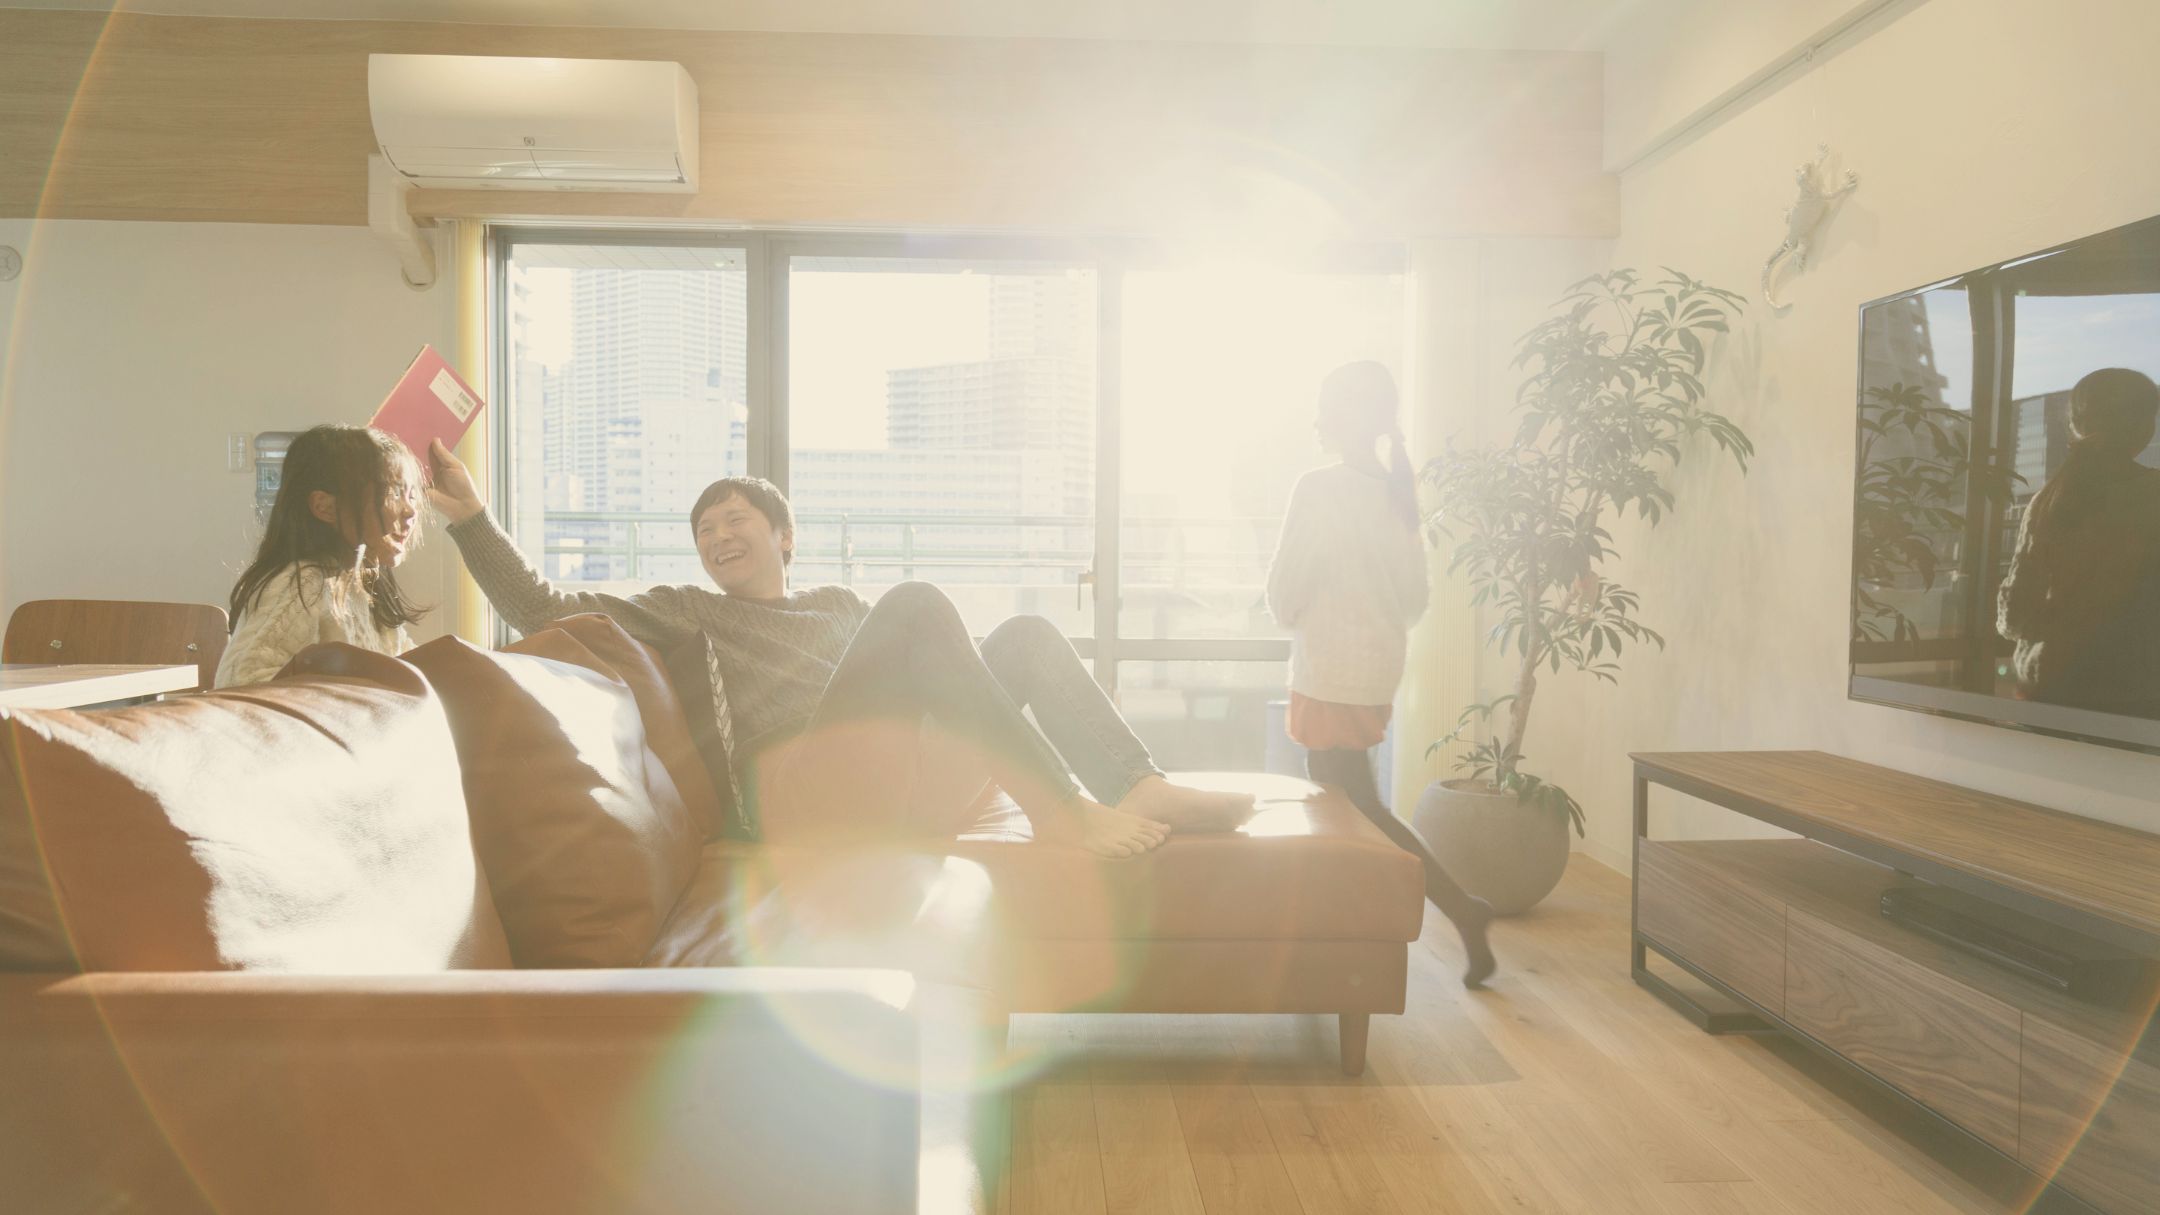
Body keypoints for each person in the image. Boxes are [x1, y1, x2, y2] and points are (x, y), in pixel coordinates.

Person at [423, 440, 1255, 859]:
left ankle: (1136, 781)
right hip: (799, 797)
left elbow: (943, 679)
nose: (718, 536)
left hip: (899, 780)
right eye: (704, 530)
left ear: (784, 535)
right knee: (922, 604)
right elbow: (542, 604)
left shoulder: (839, 606)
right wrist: (470, 519)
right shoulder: (689, 612)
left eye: (735, 519)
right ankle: (1062, 810)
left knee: (1027, 636)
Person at [1266, 361, 1496, 987]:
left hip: (1326, 668)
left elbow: (1289, 582)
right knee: (1353, 801)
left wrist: (1294, 614)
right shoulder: (1397, 493)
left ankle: (1434, 913)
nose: (1318, 418)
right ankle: (1449, 911)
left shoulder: (1319, 487)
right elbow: (1415, 597)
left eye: (1325, 406)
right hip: (1373, 669)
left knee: (1344, 806)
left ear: (1341, 417)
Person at [1997, 367, 2160, 718]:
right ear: (2146, 427)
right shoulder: (2153, 495)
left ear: (2076, 424)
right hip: (2139, 687)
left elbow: (2015, 615)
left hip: (2049, 683)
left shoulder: (2048, 499)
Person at [215, 425, 427, 688]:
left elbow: (408, 666)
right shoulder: (303, 585)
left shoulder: (363, 583)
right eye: (393, 493)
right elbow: (240, 684)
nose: (410, 511)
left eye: (412, 495)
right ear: (325, 507)